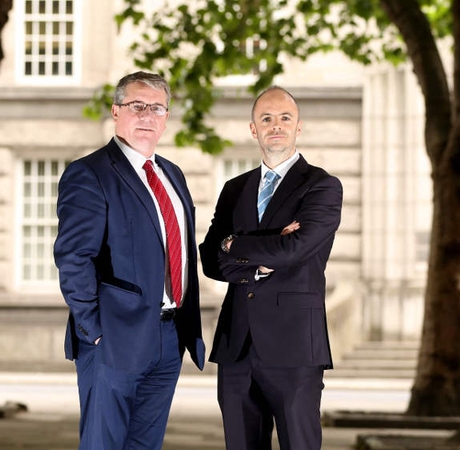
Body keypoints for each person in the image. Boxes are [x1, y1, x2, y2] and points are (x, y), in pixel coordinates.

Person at [54, 71, 205, 450]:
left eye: (156, 108)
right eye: (137, 106)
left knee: (145, 445)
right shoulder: (89, 174)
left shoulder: (173, 175)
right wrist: (95, 330)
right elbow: (74, 257)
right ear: (116, 111)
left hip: (169, 339)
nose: (147, 116)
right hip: (113, 338)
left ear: (167, 117)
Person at [199, 86, 342, 449]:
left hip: (294, 348)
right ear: (253, 129)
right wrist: (260, 259)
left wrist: (236, 244)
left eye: (284, 118)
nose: (275, 125)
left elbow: (296, 249)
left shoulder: (322, 187)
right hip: (237, 347)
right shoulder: (234, 189)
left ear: (298, 127)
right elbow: (209, 259)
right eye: (266, 118)